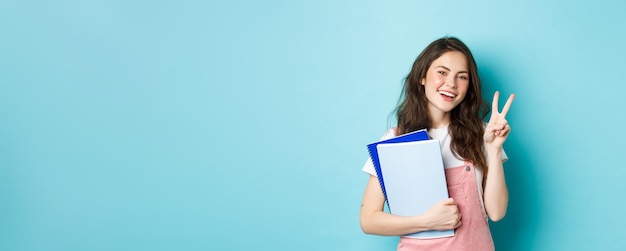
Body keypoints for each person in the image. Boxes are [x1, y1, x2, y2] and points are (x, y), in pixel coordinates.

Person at [359, 37, 514, 250]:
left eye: (462, 77)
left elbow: (496, 212)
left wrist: (494, 150)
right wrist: (426, 221)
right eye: (442, 72)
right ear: (422, 77)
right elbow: (369, 220)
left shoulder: (483, 133)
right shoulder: (395, 140)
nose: (451, 83)